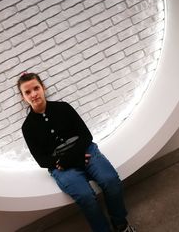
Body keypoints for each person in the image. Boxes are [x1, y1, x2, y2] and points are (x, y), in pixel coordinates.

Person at [17, 72, 136, 232]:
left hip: (85, 150)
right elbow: (42, 160)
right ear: (23, 97)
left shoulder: (63, 107)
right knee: (86, 196)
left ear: (43, 87)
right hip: (61, 166)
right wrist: (68, 161)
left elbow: (86, 136)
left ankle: (120, 223)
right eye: (28, 92)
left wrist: (75, 156)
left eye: (36, 88)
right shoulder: (28, 127)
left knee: (110, 180)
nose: (34, 94)